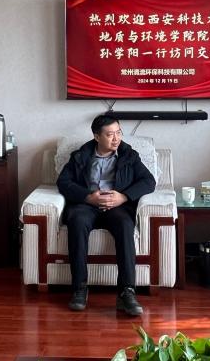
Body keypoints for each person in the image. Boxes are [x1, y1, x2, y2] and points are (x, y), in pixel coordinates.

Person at [56, 114, 156, 316]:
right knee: (77, 222)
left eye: (119, 132)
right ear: (97, 136)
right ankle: (79, 288)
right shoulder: (81, 156)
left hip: (116, 207)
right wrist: (87, 197)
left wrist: (124, 197)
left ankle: (127, 292)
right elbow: (63, 183)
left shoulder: (129, 155)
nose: (116, 138)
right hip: (87, 205)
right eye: (110, 134)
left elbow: (148, 181)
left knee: (125, 225)